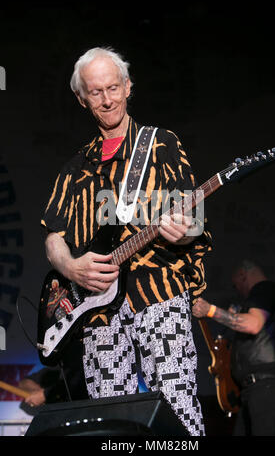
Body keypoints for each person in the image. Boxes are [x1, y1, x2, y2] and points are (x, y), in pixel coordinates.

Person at [40, 47, 212, 436]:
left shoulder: (161, 144)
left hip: (160, 296)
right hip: (95, 309)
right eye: (96, 92)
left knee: (177, 411)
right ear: (82, 99)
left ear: (128, 87)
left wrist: (182, 230)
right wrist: (70, 266)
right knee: (110, 423)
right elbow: (53, 235)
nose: (107, 99)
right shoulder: (74, 168)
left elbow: (194, 222)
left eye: (113, 88)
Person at [192, 259, 275, 436]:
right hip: (253, 389)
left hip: (265, 387)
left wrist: (210, 310)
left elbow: (253, 324)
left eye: (235, 284)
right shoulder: (263, 296)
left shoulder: (264, 289)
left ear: (242, 275)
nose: (236, 289)